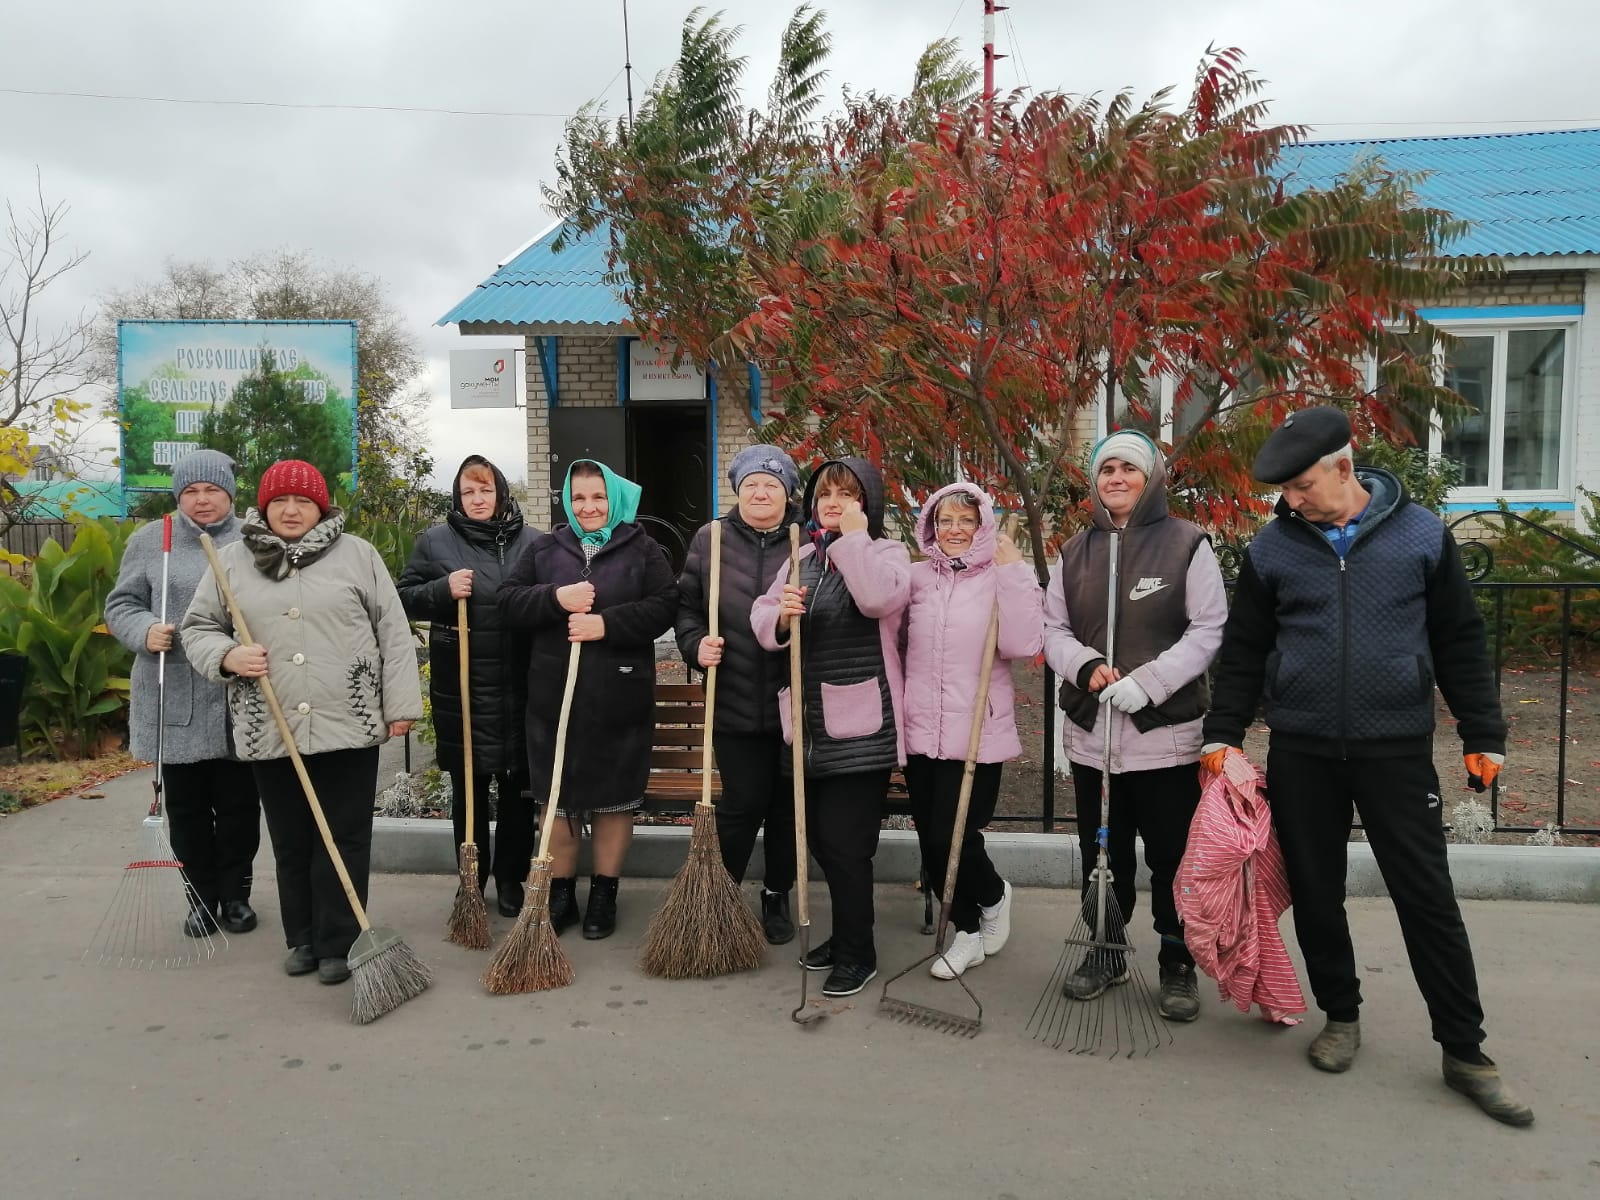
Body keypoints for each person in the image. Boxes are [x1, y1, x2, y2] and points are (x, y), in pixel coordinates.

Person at [1201, 406, 1532, 1126]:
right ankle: (1340, 1016)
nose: (1291, 501)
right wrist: (1222, 733)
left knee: (1428, 900)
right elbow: (1246, 651)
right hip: (1303, 752)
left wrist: (1484, 730)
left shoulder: (1421, 537)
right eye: (1283, 491)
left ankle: (1465, 1051)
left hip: (1396, 752)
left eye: (1301, 486)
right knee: (1318, 895)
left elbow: (1459, 639)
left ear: (1344, 469)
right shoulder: (1272, 550)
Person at [182, 459, 423, 985]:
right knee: (291, 837)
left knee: (344, 836)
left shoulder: (356, 555)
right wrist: (228, 656)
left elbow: (393, 630)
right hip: (271, 724)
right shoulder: (230, 561)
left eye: (304, 502)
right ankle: (303, 938)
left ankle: (341, 940)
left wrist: (401, 705)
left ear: (322, 507)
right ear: (264, 506)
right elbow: (198, 626)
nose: (292, 511)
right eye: (280, 501)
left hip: (349, 720)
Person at [1043, 430, 1227, 1022]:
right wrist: (1087, 665)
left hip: (1164, 737)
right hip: (1093, 736)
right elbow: (1051, 630)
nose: (1115, 478)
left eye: (1128, 469)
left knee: (1171, 855)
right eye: (1105, 470)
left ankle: (1177, 961)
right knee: (1102, 852)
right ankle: (1105, 949)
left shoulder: (1186, 544)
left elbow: (1208, 628)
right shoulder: (1075, 550)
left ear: (1150, 479)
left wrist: (1148, 682)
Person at [497, 459, 676, 940]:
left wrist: (607, 624)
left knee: (614, 800)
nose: (589, 506)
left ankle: (604, 893)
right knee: (556, 800)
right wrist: (557, 598)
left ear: (614, 499)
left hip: (619, 695)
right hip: (553, 698)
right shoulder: (545, 549)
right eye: (578, 498)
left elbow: (665, 606)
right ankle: (560, 895)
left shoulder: (641, 549)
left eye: (598, 497)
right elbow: (508, 601)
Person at [752, 457, 911, 999]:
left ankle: (857, 953)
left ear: (867, 503)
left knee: (846, 845)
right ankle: (845, 937)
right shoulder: (802, 556)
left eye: (847, 494)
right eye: (825, 494)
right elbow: (763, 611)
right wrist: (780, 615)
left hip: (863, 725)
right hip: (809, 724)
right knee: (820, 839)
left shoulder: (885, 553)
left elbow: (875, 599)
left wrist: (852, 540)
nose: (833, 503)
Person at [105, 449, 262, 938]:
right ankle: (200, 898)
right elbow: (122, 602)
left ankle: (236, 895)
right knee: (189, 809)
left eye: (212, 490)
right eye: (190, 491)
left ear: (230, 493)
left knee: (239, 806)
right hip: (175, 693)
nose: (202, 500)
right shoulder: (154, 539)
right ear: (177, 496)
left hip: (240, 694)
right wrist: (145, 628)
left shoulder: (255, 537)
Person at [902, 482, 1042, 979]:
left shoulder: (1000, 577)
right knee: (931, 837)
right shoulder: (917, 579)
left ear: (983, 524)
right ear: (931, 527)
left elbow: (1025, 643)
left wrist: (1013, 571)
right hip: (921, 729)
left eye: (966, 520)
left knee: (955, 835)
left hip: (976, 731)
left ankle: (991, 895)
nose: (955, 530)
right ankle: (966, 931)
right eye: (945, 521)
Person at [397, 455, 536, 916]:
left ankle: (512, 879)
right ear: (457, 497)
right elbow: (402, 597)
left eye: (485, 490)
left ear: (500, 492)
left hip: (520, 687)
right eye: (467, 492)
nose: (477, 499)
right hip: (463, 693)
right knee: (469, 792)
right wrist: (441, 590)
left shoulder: (532, 543)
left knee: (518, 793)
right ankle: (471, 881)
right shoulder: (435, 542)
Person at [674, 446, 802, 944]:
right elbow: (686, 607)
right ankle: (718, 897)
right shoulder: (713, 538)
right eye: (751, 484)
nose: (761, 492)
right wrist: (694, 645)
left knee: (788, 808)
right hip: (733, 697)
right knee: (743, 804)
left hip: (793, 699)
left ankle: (777, 893)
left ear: (787, 491)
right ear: (738, 490)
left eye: (770, 484)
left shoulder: (805, 540)